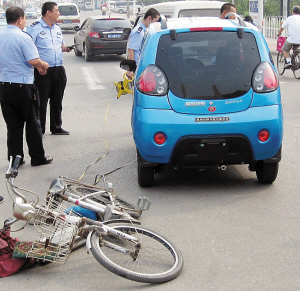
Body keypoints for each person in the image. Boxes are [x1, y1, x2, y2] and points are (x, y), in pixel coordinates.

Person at [0, 6, 53, 167]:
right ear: (20, 19)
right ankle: (37, 158)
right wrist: (43, 64)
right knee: (32, 122)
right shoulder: (23, 37)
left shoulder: (1, 35)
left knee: (13, 124)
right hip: (23, 86)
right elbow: (33, 60)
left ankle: (15, 159)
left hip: (4, 86)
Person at [27, 2, 72, 136]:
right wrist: (38, 64)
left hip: (58, 68)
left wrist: (65, 47)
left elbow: (60, 44)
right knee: (41, 101)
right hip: (43, 70)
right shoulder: (34, 28)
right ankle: (39, 129)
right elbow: (29, 49)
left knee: (57, 99)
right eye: (57, 11)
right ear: (48, 12)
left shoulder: (57, 28)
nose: (59, 13)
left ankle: (56, 127)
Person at [126, 8, 160, 78]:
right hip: (138, 67)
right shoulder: (139, 32)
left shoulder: (147, 30)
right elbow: (131, 50)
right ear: (149, 18)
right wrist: (130, 69)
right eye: (155, 21)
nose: (156, 23)